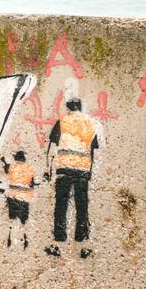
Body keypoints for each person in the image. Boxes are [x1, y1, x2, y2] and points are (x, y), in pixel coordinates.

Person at [44, 97, 102, 258]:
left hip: (64, 169)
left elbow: (52, 148)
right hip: (82, 170)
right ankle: (82, 242)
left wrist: (48, 169)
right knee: (82, 206)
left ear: (68, 107)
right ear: (80, 107)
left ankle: (59, 240)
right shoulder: (89, 124)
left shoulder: (62, 121)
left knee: (61, 205)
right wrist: (90, 171)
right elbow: (93, 150)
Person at [1, 151, 36, 248]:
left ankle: (9, 238)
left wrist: (4, 162)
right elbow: (32, 183)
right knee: (23, 221)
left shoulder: (12, 166)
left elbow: (6, 169)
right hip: (25, 198)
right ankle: (25, 239)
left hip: (13, 197)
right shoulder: (30, 168)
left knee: (12, 219)